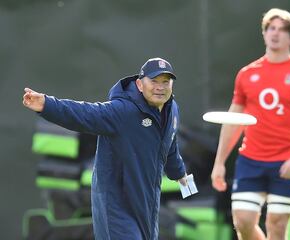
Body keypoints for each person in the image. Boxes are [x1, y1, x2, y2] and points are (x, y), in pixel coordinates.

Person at [23, 57, 188, 240]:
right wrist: (46, 104)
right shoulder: (122, 111)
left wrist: (182, 176)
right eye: (154, 81)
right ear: (140, 84)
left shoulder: (172, 110)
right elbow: (83, 113)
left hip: (147, 204)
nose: (160, 87)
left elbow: (170, 146)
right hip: (116, 205)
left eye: (166, 81)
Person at [210, 8, 290, 240]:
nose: (275, 33)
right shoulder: (246, 74)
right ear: (264, 33)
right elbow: (234, 121)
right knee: (242, 221)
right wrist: (219, 162)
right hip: (250, 160)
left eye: (282, 30)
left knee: (277, 224)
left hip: (286, 161)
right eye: (271, 28)